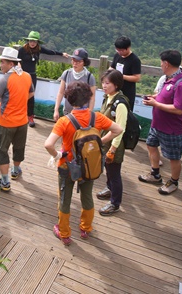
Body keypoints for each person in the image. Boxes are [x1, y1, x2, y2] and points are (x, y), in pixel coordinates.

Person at [44, 81, 122, 245]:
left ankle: (64, 233)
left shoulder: (65, 121)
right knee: (87, 196)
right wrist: (100, 142)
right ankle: (85, 228)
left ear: (69, 100)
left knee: (65, 199)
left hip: (67, 166)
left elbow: (48, 144)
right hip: (89, 165)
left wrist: (58, 155)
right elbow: (118, 130)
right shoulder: (97, 117)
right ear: (88, 98)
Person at [138, 50, 182, 195]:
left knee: (173, 157)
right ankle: (155, 174)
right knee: (150, 145)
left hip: (171, 128)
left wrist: (156, 104)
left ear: (166, 64)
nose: (161, 65)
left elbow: (178, 109)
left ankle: (174, 182)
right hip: (158, 125)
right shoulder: (169, 79)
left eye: (162, 62)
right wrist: (154, 98)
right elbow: (165, 96)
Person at [0, 47, 34, 192]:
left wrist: (1, 104)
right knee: (19, 146)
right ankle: (16, 170)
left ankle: (5, 182)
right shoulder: (27, 76)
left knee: (2, 150)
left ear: (11, 64)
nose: (0, 65)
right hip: (22, 122)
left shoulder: (4, 80)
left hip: (7, 122)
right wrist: (20, 102)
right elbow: (31, 92)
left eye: (2, 62)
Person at [17, 31, 68, 127]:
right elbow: (17, 61)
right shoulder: (22, 50)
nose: (33, 43)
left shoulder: (38, 49)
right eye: (31, 41)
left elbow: (50, 52)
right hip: (23, 75)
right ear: (28, 41)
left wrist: (61, 54)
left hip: (32, 76)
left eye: (35, 41)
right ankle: (20, 114)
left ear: (37, 42)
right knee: (21, 94)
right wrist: (19, 71)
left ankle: (30, 116)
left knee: (31, 96)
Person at [96, 70, 129, 216]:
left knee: (115, 174)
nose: (104, 85)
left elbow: (120, 129)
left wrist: (113, 149)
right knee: (108, 170)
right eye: (103, 82)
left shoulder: (120, 104)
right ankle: (109, 189)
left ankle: (115, 203)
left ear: (116, 85)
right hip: (106, 142)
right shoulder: (108, 97)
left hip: (114, 145)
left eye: (107, 83)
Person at [53, 48, 96, 121]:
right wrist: (56, 110)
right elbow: (60, 93)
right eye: (73, 60)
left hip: (82, 115)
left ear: (84, 62)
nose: (75, 63)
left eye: (78, 61)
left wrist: (89, 113)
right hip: (67, 113)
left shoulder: (89, 77)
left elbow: (92, 98)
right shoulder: (66, 73)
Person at [110, 36, 142, 111]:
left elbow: (137, 78)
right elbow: (112, 67)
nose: (119, 52)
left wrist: (121, 76)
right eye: (117, 50)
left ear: (128, 48)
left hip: (127, 93)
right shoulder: (117, 55)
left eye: (121, 50)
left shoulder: (135, 60)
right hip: (115, 90)